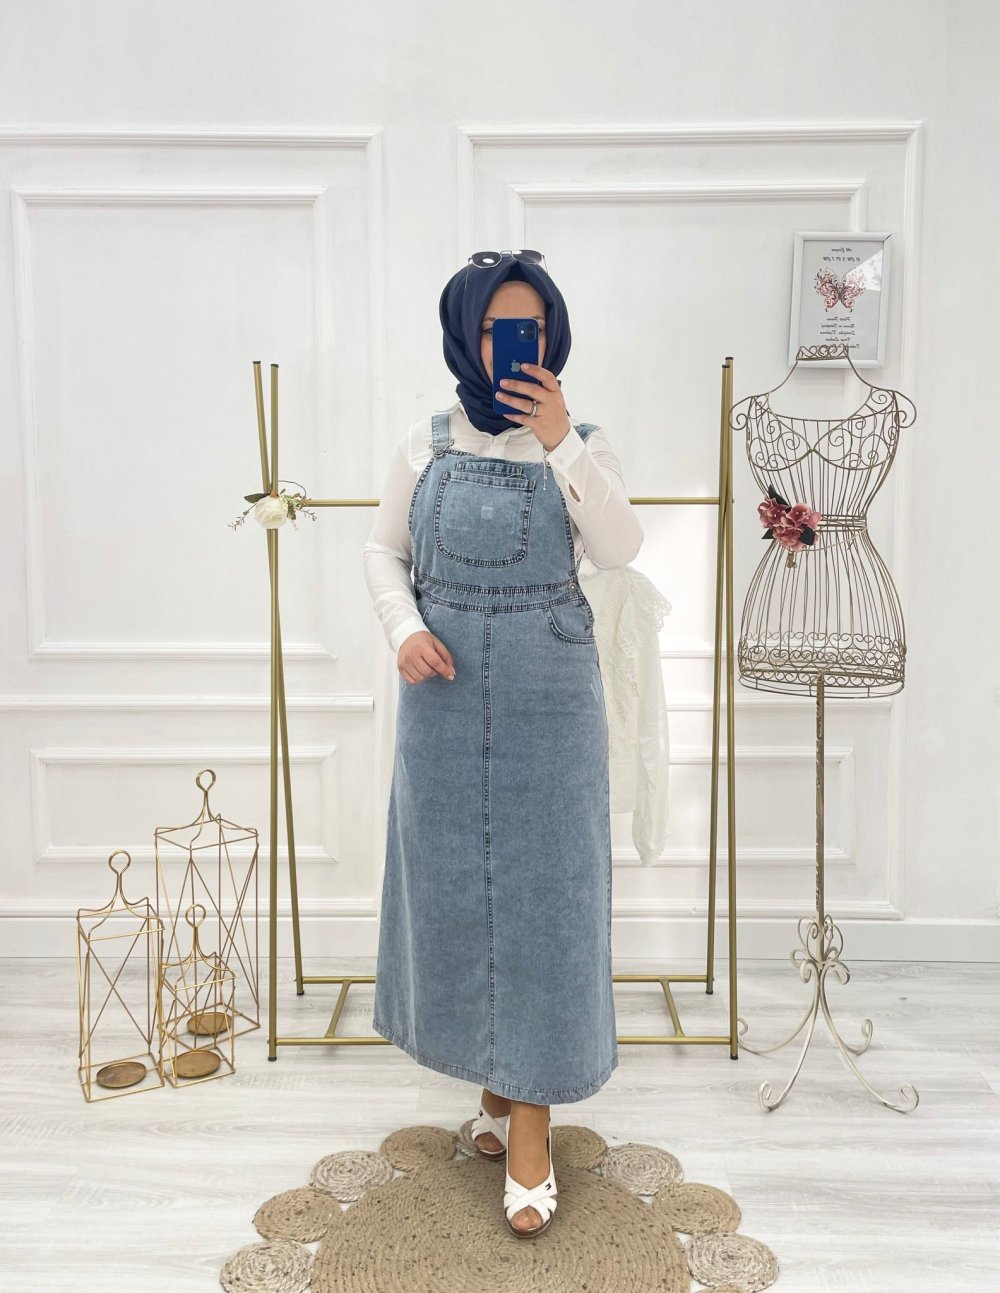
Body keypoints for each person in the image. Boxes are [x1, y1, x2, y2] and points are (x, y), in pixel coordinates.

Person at [362, 250, 643, 1236]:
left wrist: (559, 439)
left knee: (547, 904)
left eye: (529, 329)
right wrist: (404, 628)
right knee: (454, 894)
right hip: (441, 696)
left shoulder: (583, 443)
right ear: (463, 335)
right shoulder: (423, 442)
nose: (511, 347)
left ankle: (532, 1121)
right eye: (492, 329)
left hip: (549, 695)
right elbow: (383, 550)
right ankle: (493, 1082)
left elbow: (620, 549)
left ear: (552, 337)